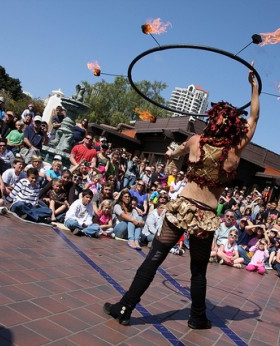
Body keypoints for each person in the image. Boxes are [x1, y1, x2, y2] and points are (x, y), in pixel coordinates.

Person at [104, 69, 260, 329]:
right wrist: (254, 87)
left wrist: (172, 153)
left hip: (183, 207)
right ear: (233, 125)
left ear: (211, 121)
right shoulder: (235, 150)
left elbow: (174, 153)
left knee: (154, 257)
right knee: (197, 270)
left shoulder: (196, 141)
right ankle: (197, 317)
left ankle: (125, 306)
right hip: (205, 215)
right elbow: (254, 117)